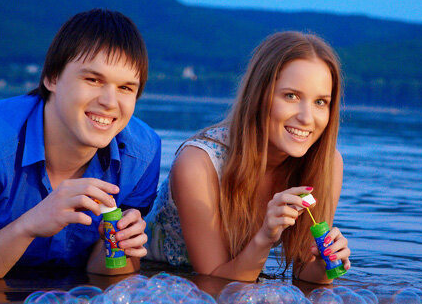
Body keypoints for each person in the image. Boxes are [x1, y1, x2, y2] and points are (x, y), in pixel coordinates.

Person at [0, 9, 161, 278]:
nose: (110, 102)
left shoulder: (142, 155)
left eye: (125, 88)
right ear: (51, 78)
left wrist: (119, 247)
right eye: (93, 79)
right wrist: (29, 225)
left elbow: (104, 271)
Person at [146, 31, 350, 283]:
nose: (307, 118)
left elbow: (304, 272)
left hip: (229, 286)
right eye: (291, 96)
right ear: (259, 95)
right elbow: (214, 283)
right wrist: (265, 237)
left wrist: (325, 263)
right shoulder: (199, 163)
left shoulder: (326, 165)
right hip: (152, 285)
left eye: (320, 102)